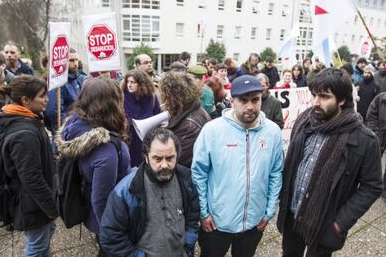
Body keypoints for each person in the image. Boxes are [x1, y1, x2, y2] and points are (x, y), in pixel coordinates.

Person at [277, 68, 382, 257]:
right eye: (314, 95)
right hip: (293, 212)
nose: (316, 102)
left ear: (342, 100)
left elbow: (372, 187)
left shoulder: (365, 140)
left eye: (325, 97)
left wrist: (339, 223)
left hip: (325, 221)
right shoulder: (305, 120)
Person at [191, 75, 283, 257]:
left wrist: (269, 211)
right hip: (217, 223)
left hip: (254, 223)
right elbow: (198, 174)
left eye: (255, 100)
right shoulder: (212, 130)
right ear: (232, 101)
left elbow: (276, 172)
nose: (250, 106)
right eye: (243, 100)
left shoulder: (272, 132)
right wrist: (204, 213)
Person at [57, 78, 131, 256]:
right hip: (107, 220)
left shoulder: (76, 125)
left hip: (92, 211)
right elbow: (101, 200)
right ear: (112, 103)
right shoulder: (106, 148)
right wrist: (112, 233)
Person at [100, 128, 200, 257]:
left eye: (170, 158)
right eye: (157, 159)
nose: (164, 165)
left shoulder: (186, 181)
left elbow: (193, 216)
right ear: (146, 158)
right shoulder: (125, 191)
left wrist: (188, 244)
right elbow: (111, 236)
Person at [0, 76, 58, 256]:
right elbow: (31, 178)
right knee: (36, 247)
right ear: (25, 101)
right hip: (33, 203)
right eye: (42, 96)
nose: (47, 99)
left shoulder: (27, 119)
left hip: (36, 201)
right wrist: (52, 208)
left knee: (45, 236)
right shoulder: (24, 133)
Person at [160, 70, 211, 168]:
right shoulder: (195, 109)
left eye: (165, 95)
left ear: (172, 96)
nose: (164, 99)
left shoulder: (189, 127)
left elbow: (176, 161)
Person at [121, 70, 161, 168]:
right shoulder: (122, 97)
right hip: (130, 139)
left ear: (141, 84)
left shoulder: (152, 97)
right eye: (128, 82)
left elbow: (158, 117)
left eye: (133, 82)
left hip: (147, 139)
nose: (129, 85)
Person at [366, 91, 386, 203]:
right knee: (373, 161)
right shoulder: (381, 98)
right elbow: (371, 116)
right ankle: (367, 184)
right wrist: (376, 132)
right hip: (380, 135)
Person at [61, 48, 86, 113]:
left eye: (76, 60)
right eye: (71, 60)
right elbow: (55, 112)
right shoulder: (59, 83)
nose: (75, 64)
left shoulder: (81, 78)